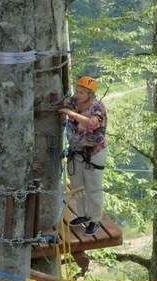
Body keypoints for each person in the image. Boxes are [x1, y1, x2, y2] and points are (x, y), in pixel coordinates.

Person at [59, 76, 107, 235]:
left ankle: (95, 219)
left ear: (90, 93)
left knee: (93, 188)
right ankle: (82, 214)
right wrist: (66, 106)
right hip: (77, 152)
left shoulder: (97, 107)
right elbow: (66, 102)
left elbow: (91, 124)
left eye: (82, 92)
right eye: (77, 91)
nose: (78, 95)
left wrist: (71, 114)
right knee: (77, 186)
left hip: (93, 153)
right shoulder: (74, 101)